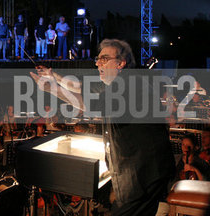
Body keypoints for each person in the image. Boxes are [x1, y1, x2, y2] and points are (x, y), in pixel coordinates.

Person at [31, 39, 175, 216]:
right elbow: (82, 87)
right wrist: (55, 77)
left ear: (121, 63)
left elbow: (91, 103)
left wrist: (52, 88)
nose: (98, 63)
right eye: (98, 59)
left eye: (104, 58)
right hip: (142, 171)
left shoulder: (131, 84)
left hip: (144, 173)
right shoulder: (120, 82)